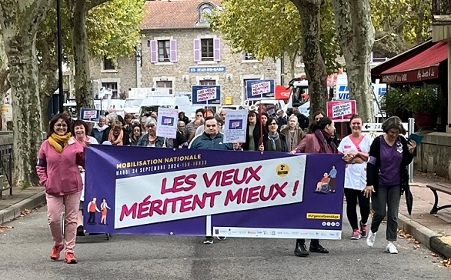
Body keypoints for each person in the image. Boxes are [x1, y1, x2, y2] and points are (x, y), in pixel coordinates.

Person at [36, 113, 85, 264]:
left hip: (73, 186)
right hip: (53, 188)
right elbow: (40, 166)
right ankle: (58, 244)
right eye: (58, 125)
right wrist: (45, 181)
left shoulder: (74, 143)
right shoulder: (46, 145)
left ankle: (70, 251)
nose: (61, 127)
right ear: (52, 127)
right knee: (54, 219)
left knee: (71, 220)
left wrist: (86, 151)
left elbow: (85, 162)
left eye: (64, 125)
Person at [365, 116, 416, 254]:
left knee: (393, 214)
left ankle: (391, 242)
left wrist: (411, 152)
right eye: (391, 132)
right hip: (380, 182)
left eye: (397, 132)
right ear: (386, 130)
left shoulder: (401, 142)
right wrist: (369, 183)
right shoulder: (378, 142)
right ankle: (373, 230)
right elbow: (371, 163)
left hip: (396, 182)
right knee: (380, 212)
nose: (394, 135)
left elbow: (405, 161)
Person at [189, 116, 239, 244]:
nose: (211, 128)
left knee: (223, 207)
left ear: (219, 126)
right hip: (203, 181)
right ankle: (208, 234)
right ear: (204, 127)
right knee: (206, 208)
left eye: (213, 126)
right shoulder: (196, 141)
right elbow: (188, 159)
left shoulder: (228, 140)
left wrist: (237, 149)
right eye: (208, 126)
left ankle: (222, 231)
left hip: (224, 180)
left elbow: (239, 159)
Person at [292, 116, 337, 257]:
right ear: (327, 127)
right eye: (333, 125)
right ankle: (299, 244)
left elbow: (335, 158)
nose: (335, 128)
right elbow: (297, 152)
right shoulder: (310, 138)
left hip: (323, 183)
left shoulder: (330, 142)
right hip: (308, 181)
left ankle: (315, 243)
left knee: (318, 212)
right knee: (305, 212)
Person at [337, 114, 372, 240]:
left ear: (362, 125)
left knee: (364, 205)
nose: (356, 125)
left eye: (358, 123)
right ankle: (355, 229)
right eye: (354, 123)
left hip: (364, 175)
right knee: (351, 204)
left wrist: (357, 153)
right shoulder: (345, 141)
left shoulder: (368, 140)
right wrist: (349, 159)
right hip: (349, 175)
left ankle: (363, 222)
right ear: (350, 125)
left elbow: (371, 157)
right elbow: (340, 157)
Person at [71, 119, 99, 237]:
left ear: (85, 129)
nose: (79, 130)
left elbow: (100, 157)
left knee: (93, 195)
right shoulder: (70, 142)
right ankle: (79, 224)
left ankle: (93, 224)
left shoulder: (92, 141)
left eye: (81, 128)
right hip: (76, 174)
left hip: (92, 174)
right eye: (76, 128)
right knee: (79, 195)